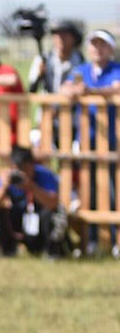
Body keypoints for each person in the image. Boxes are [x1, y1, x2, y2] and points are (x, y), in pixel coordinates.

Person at [62, 29, 120, 255]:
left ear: (110, 49)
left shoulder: (116, 70)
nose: (97, 49)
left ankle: (115, 240)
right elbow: (65, 88)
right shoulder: (81, 70)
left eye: (102, 45)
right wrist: (72, 91)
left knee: (115, 192)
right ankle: (92, 240)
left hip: (114, 141)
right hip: (88, 140)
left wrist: (92, 91)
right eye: (93, 45)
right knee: (90, 191)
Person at [0, 145, 67, 257]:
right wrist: (3, 187)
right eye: (18, 168)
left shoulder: (44, 175)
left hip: (40, 222)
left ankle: (51, 250)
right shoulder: (7, 178)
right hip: (19, 222)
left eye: (24, 168)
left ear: (32, 165)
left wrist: (31, 187)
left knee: (55, 214)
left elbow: (53, 203)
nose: (21, 173)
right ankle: (6, 249)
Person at [28, 20, 84, 94]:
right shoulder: (43, 59)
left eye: (65, 35)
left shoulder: (80, 60)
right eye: (57, 35)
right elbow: (32, 90)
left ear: (74, 39)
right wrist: (39, 75)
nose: (60, 38)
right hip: (48, 103)